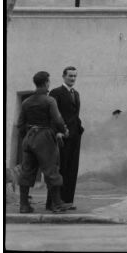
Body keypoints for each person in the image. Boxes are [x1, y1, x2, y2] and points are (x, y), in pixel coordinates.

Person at [16, 71, 69, 214]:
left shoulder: (26, 102)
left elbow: (20, 124)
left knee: (26, 171)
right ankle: (57, 204)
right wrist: (63, 130)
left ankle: (24, 205)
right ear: (46, 83)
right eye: (48, 82)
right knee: (51, 170)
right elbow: (58, 119)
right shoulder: (49, 100)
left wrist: (26, 137)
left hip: (29, 138)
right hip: (44, 137)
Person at [46, 66, 84, 210]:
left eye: (75, 76)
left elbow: (75, 114)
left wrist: (79, 129)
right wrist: (57, 132)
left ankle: (67, 201)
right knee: (59, 169)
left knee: (71, 168)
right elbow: (52, 115)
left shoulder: (76, 93)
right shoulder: (56, 93)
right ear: (63, 76)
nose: (73, 79)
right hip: (62, 136)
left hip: (75, 135)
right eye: (70, 76)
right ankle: (53, 203)